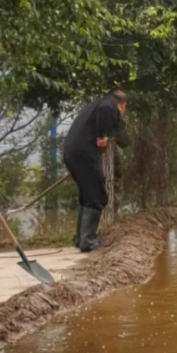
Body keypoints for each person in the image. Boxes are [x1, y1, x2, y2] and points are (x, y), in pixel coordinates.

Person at [63, 89, 127, 252]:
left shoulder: (94, 105)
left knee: (88, 196)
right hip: (84, 154)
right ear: (122, 105)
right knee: (97, 194)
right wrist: (102, 135)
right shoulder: (108, 103)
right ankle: (88, 240)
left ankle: (81, 238)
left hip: (72, 153)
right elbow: (105, 110)